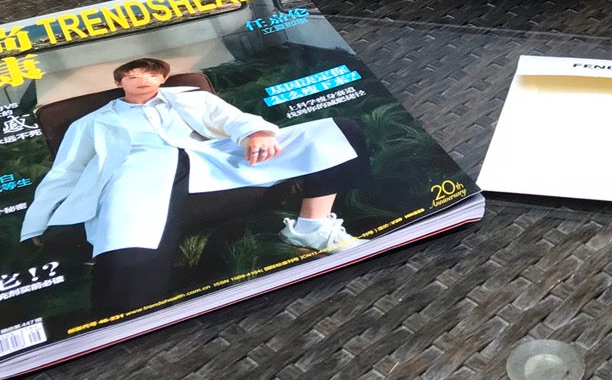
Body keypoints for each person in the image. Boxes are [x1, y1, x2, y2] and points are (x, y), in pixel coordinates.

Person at [21, 57, 372, 318]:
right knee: (132, 236)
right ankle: (130, 313)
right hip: (136, 174)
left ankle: (311, 227)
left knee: (337, 130)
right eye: (134, 75)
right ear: (120, 82)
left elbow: (230, 119)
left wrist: (255, 132)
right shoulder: (90, 123)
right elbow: (66, 171)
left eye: (152, 74)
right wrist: (38, 221)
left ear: (163, 78)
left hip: (211, 161)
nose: (144, 80)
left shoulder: (189, 97)